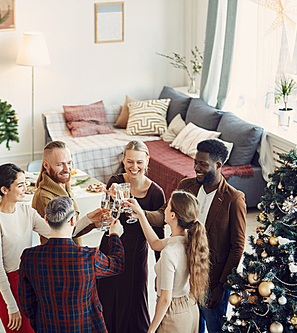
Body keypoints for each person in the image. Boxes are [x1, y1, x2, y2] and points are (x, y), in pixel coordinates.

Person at [146, 139, 247, 333]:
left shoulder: (234, 199)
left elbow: (237, 247)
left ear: (218, 165)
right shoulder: (186, 185)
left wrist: (221, 286)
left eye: (203, 164)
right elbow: (164, 213)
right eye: (195, 162)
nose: (196, 168)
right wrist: (140, 213)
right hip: (185, 280)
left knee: (215, 326)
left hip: (212, 280)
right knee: (193, 326)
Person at [18, 196, 125, 333]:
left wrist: (40, 322)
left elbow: (26, 303)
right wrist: (115, 235)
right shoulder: (89, 256)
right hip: (85, 327)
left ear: (46, 219)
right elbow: (117, 264)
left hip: (47, 326)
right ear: (73, 220)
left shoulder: (29, 257)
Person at [97, 140, 166, 333]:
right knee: (106, 296)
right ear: (123, 160)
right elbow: (106, 220)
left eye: (139, 162)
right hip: (110, 247)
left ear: (147, 161)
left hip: (135, 254)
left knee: (133, 302)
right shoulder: (115, 182)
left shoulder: (156, 193)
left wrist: (160, 274)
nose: (134, 167)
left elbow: (158, 237)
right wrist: (108, 203)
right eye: (130, 162)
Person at [128, 190, 210, 333]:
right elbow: (154, 243)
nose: (164, 209)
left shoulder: (169, 253)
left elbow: (165, 300)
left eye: (168, 206)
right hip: (191, 307)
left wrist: (151, 330)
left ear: (173, 215)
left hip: (174, 315)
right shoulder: (189, 241)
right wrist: (141, 214)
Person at [0, 163, 52, 332]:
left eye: (25, 183)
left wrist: (89, 220)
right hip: (10, 286)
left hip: (31, 282)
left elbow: (57, 233)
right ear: (5, 189)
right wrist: (12, 306)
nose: (25, 189)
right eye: (20, 185)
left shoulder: (26, 211)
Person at [32, 140, 99, 245]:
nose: (67, 169)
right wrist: (90, 221)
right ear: (46, 165)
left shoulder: (65, 185)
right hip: (59, 258)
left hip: (73, 253)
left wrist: (94, 222)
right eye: (60, 164)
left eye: (69, 163)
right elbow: (63, 235)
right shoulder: (43, 197)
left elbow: (73, 227)